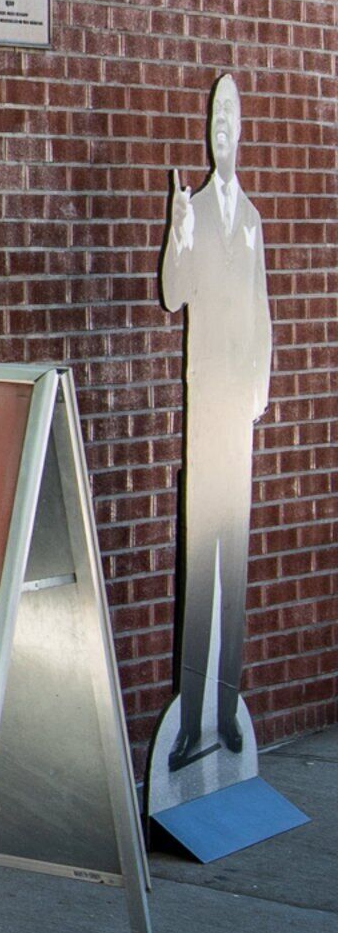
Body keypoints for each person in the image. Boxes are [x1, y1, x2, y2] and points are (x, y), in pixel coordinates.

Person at [160, 71, 268, 769]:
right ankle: (191, 719)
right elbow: (174, 295)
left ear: (241, 128)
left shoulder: (251, 218)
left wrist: (261, 387)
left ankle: (226, 714)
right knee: (203, 564)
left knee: (238, 557)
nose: (222, 123)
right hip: (205, 413)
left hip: (239, 414)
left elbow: (262, 307)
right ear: (207, 131)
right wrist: (178, 232)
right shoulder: (194, 209)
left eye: (231, 112)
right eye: (215, 114)